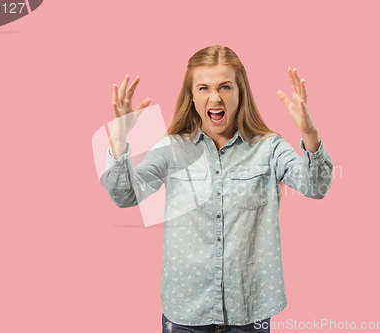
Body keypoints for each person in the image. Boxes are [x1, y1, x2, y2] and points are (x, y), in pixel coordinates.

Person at [104, 45, 333, 332]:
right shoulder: (172, 149)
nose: (215, 97)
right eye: (203, 88)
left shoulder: (269, 148)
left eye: (225, 86)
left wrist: (310, 134)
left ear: (240, 93)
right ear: (192, 96)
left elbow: (316, 186)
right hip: (186, 311)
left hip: (250, 311)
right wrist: (118, 139)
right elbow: (125, 196)